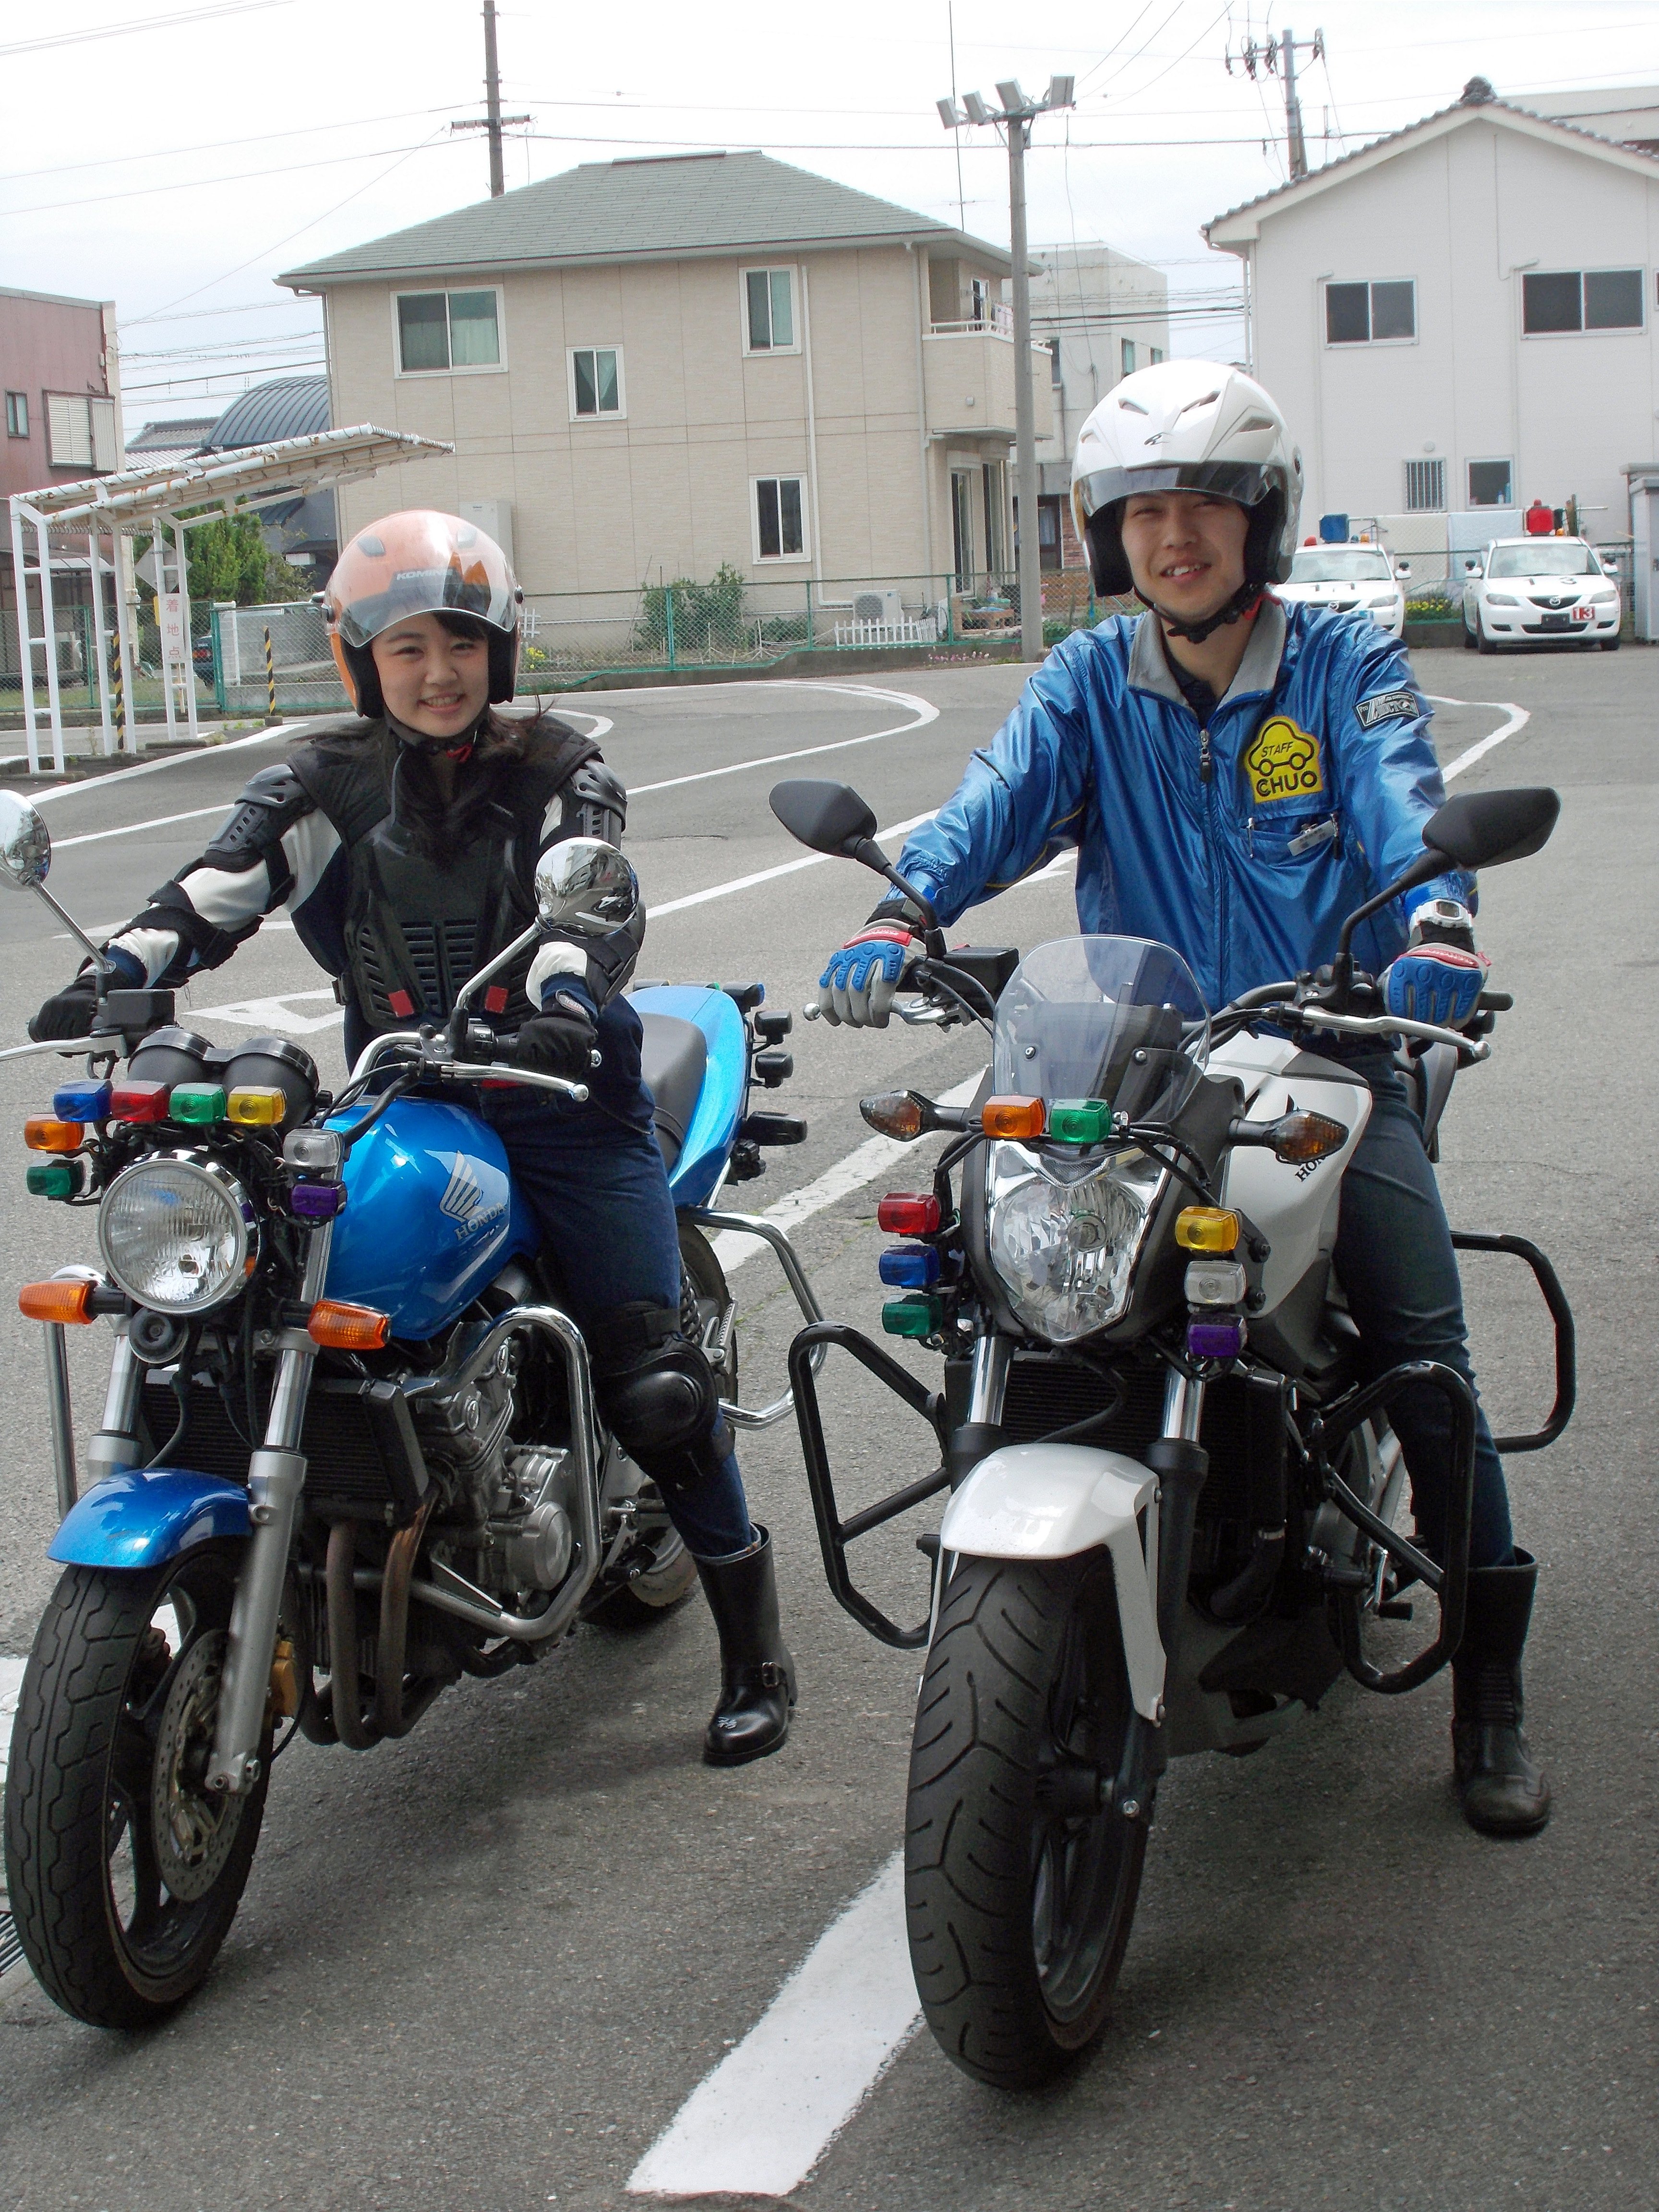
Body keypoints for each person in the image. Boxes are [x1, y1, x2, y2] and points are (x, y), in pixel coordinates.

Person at [817, 360, 1549, 1838]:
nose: (1176, 538)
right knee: (991, 1286)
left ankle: (1491, 1687)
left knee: (1421, 1353)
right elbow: (994, 803)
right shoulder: (1091, 679)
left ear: (1258, 520)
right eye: (1145, 510)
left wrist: (1435, 934)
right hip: (1134, 1060)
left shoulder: (1343, 666)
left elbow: (1408, 801)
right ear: (1108, 535)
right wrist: (903, 915)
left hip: (1328, 1055)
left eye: (1207, 504)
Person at [31, 510, 794, 1768]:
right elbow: (217, 888)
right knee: (258, 1303)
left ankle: (753, 1648)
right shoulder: (324, 782)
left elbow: (590, 889)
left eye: (459, 643)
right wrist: (121, 964)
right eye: (405, 648)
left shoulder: (559, 767)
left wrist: (561, 993)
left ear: (498, 650)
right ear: (361, 660)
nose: (435, 671)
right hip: (403, 1094)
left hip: (568, 1105)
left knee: (654, 1381)